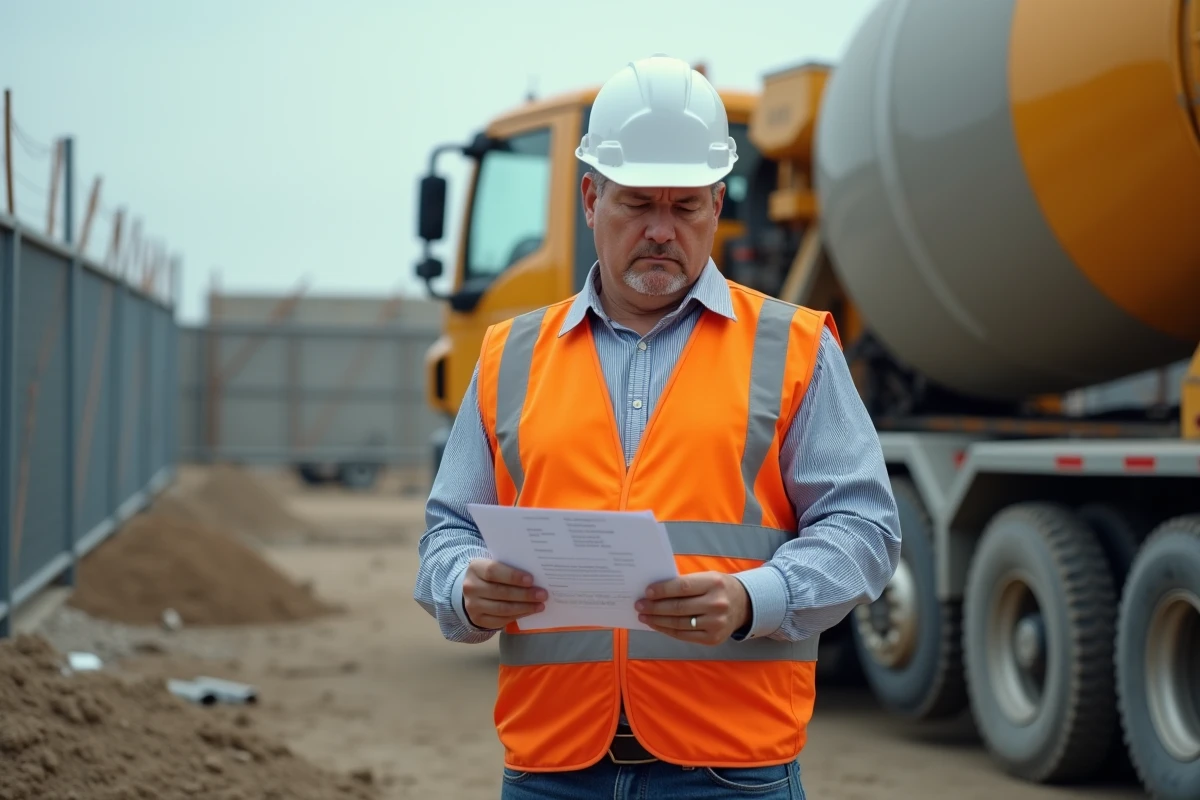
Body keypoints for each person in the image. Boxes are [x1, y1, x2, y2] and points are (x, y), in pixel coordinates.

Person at [414, 54, 901, 799]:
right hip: (552, 770)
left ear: (718, 205)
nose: (662, 231)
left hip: (729, 771)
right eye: (639, 203)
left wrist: (755, 598)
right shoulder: (509, 355)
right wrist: (462, 587)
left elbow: (865, 528)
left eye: (688, 207)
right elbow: (446, 533)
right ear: (591, 198)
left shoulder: (794, 348)